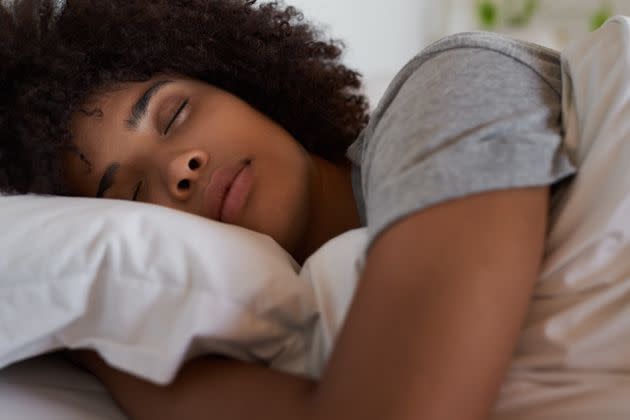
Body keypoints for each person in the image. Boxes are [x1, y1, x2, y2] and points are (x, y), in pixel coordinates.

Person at [0, 0, 577, 419]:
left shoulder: (447, 85)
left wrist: (120, 370)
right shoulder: (284, 328)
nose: (179, 167)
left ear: (242, 82)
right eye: (129, 195)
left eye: (172, 115)